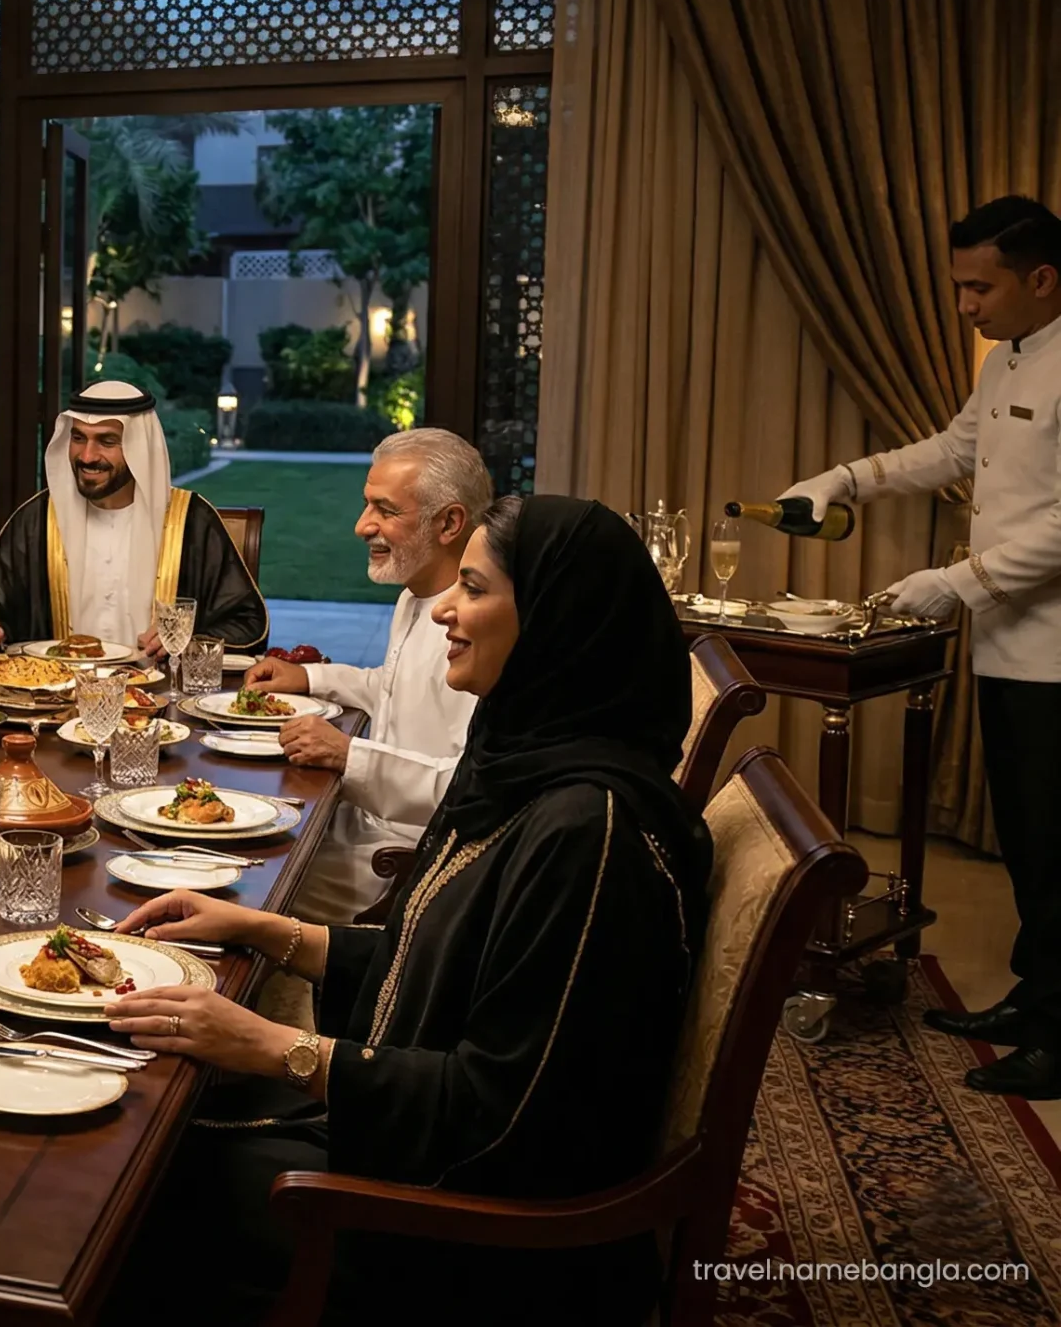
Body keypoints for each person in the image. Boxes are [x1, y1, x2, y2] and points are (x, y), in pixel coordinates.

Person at [101, 495, 712, 1323]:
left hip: (475, 1246)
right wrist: (266, 930)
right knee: (150, 1103)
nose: (447, 611)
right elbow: (448, 959)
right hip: (415, 1160)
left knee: (119, 1182)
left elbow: (503, 1113)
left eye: (476, 589)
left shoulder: (589, 834)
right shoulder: (531, 765)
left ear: (557, 619)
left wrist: (274, 1044)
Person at [771, 195, 1061, 1098]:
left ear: (1042, 278)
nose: (965, 306)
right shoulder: (1010, 357)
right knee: (1028, 836)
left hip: (1057, 651)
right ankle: (1037, 991)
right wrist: (846, 477)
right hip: (1009, 644)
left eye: (981, 286)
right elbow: (953, 450)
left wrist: (958, 581)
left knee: (1059, 844)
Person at [244, 427, 490, 925]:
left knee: (237, 881)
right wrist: (309, 677)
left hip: (406, 863)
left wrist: (348, 754)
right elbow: (394, 688)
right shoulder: (417, 594)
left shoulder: (481, 630)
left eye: (385, 510)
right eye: (366, 505)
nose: (362, 526)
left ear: (449, 523)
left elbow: (471, 787)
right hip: (355, 827)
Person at [0, 380, 267, 656]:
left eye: (107, 442)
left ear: (139, 446)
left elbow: (249, 626)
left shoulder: (190, 521)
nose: (87, 456)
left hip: (158, 698)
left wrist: (191, 640)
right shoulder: (38, 518)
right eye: (78, 438)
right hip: (55, 698)